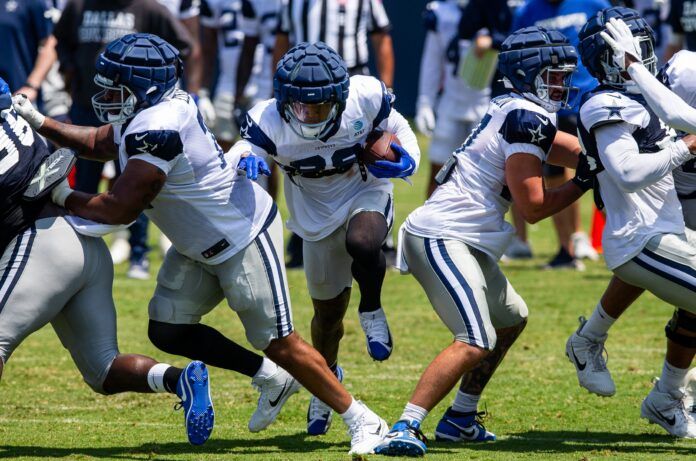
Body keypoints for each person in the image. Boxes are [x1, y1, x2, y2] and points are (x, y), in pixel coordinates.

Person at [12, 33, 389, 455]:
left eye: (116, 86)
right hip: (198, 243)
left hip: (241, 236)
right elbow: (104, 141)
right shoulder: (156, 108)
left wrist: (60, 196)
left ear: (142, 86)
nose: (107, 95)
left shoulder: (159, 127)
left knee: (281, 341)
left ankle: (365, 420)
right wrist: (40, 122)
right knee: (168, 329)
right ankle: (269, 376)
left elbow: (119, 208)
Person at [374, 26, 599, 456]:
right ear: (528, 73)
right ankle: (405, 425)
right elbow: (531, 209)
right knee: (475, 337)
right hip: (442, 235)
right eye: (553, 75)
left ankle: (460, 417)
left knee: (510, 319)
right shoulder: (524, 115)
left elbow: (573, 150)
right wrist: (585, 182)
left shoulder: (519, 109)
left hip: (465, 239)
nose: (562, 84)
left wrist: (619, 156)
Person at [0, 77, 214, 446]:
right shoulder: (10, 114)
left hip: (45, 244)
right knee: (103, 370)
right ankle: (180, 380)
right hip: (85, 243)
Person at [233, 41, 418, 436]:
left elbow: (398, 127)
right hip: (312, 215)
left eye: (319, 106)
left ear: (340, 96)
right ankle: (326, 380)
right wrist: (244, 157)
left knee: (364, 243)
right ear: (283, 100)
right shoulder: (266, 118)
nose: (310, 114)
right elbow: (244, 147)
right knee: (327, 317)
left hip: (363, 190)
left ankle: (371, 309)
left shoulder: (365, 95)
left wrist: (410, 157)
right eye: (301, 106)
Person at [565, 7, 696, 438]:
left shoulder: (643, 94)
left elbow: (686, 119)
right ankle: (665, 391)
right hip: (641, 240)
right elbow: (627, 173)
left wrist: (637, 70)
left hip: (663, 231)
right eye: (636, 48)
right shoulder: (605, 103)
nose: (645, 53)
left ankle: (666, 396)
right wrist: (683, 150)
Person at [53, 0, 194, 280]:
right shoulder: (79, 6)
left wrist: (164, 87)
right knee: (84, 179)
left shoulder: (148, 8)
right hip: (86, 104)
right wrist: (70, 76)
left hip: (132, 113)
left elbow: (183, 46)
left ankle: (138, 252)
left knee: (132, 183)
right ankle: (78, 255)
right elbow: (61, 41)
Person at [273, 0, 396, 269]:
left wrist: (385, 88)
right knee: (302, 161)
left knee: (366, 160)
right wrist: (279, 88)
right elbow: (282, 42)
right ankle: (303, 237)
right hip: (304, 92)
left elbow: (381, 37)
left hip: (352, 85)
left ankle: (375, 235)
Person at [512, 0, 606, 268]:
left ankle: (606, 236)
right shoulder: (528, 11)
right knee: (553, 172)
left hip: (588, 100)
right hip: (550, 103)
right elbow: (516, 52)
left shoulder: (591, 2)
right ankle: (567, 245)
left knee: (606, 166)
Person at [415, 0, 490, 197]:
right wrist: (425, 102)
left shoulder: (495, 8)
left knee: (486, 177)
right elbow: (432, 61)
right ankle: (429, 225)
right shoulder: (441, 12)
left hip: (485, 103)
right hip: (451, 101)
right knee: (439, 173)